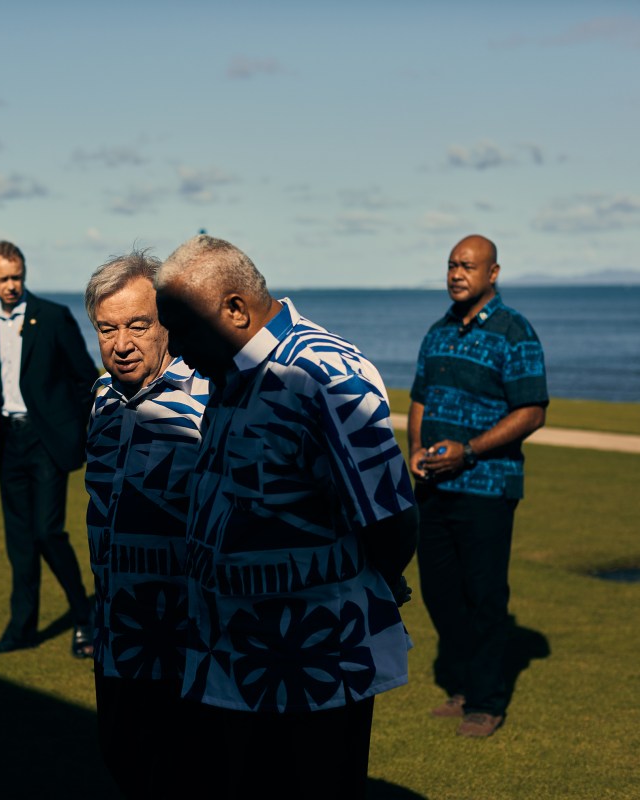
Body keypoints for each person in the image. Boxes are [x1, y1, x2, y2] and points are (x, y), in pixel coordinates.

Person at [154, 235, 418, 797]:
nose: (172, 348)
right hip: (234, 656)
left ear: (234, 309)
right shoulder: (230, 373)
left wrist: (379, 576)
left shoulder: (323, 374)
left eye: (182, 326)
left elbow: (390, 517)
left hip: (310, 660)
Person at [407, 234, 548, 739]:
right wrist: (416, 450)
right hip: (434, 489)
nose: (456, 274)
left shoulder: (515, 332)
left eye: (467, 266)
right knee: (441, 595)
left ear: (493, 274)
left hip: (487, 487)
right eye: (450, 265)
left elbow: (532, 410)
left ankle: (486, 702)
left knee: (484, 597)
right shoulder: (439, 332)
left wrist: (469, 451)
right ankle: (464, 685)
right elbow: (420, 398)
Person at [83, 250, 210, 799]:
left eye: (138, 324)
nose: (122, 343)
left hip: (187, 641)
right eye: (107, 329)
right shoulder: (100, 400)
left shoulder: (210, 396)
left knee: (188, 777)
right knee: (124, 764)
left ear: (167, 325)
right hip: (116, 635)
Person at [0, 240, 98, 657]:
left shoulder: (53, 317)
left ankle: (85, 618)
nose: (12, 285)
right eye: (4, 278)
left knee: (47, 533)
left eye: (17, 277)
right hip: (9, 441)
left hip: (47, 442)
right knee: (19, 543)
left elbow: (85, 378)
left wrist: (77, 434)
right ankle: (21, 628)